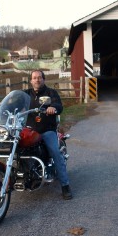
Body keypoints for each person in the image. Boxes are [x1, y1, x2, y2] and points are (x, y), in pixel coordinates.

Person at [24, 70, 72, 200]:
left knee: (55, 152)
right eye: (34, 78)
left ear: (44, 79)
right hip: (29, 130)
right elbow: (13, 102)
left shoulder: (51, 93)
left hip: (46, 130)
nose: (37, 80)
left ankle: (65, 185)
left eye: (39, 77)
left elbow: (58, 105)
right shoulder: (26, 94)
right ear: (31, 81)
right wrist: (0, 109)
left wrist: (53, 108)